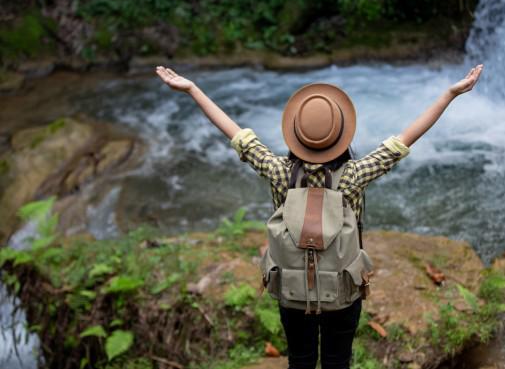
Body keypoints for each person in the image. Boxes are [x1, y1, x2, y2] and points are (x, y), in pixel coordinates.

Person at [155, 64, 483, 369]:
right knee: (338, 360)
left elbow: (235, 133)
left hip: (292, 293)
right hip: (342, 292)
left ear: (295, 136)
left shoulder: (278, 172)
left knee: (300, 358)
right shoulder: (356, 175)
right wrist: (449, 94)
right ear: (342, 137)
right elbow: (405, 139)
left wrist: (192, 89)